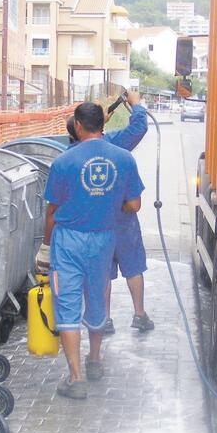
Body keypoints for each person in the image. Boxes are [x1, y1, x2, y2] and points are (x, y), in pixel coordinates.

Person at [36, 102, 144, 399]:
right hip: (103, 239)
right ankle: (94, 360)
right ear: (103, 125)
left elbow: (52, 210)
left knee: (67, 304)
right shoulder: (124, 159)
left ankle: (76, 379)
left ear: (78, 126)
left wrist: (45, 247)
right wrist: (108, 205)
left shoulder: (63, 162)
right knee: (97, 299)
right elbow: (134, 204)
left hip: (68, 243)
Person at [65, 91, 154, 334]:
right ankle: (140, 314)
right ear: (100, 124)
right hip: (123, 220)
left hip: (95, 223)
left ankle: (104, 320)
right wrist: (136, 105)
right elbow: (138, 128)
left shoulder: (70, 154)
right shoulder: (116, 145)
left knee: (101, 272)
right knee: (133, 267)